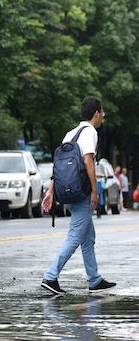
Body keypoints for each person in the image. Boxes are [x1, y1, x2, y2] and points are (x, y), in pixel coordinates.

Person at [40, 97, 116, 295]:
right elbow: (88, 160)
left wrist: (51, 191)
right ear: (97, 113)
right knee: (75, 236)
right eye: (102, 112)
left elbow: (60, 166)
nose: (103, 115)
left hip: (68, 192)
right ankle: (50, 276)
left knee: (88, 237)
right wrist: (94, 191)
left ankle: (94, 279)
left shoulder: (70, 133)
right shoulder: (90, 132)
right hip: (82, 192)